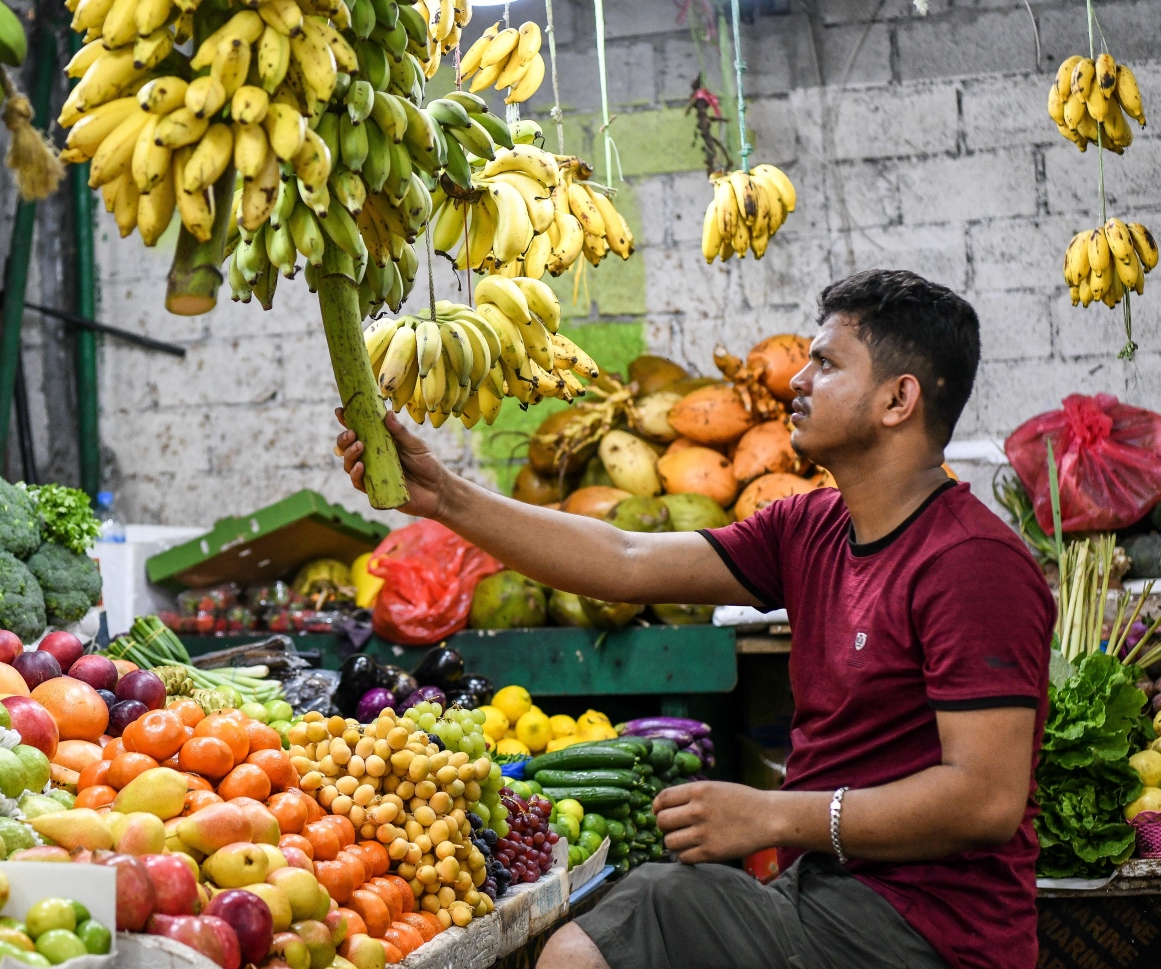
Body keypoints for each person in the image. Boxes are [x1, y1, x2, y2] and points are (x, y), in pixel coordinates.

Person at [332, 270, 1054, 969]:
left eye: (826, 363)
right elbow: (624, 558)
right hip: (827, 895)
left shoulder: (971, 564)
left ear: (899, 400)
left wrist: (773, 815)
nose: (796, 381)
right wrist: (444, 497)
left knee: (626, 919)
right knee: (617, 917)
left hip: (923, 933)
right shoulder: (812, 526)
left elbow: (984, 799)